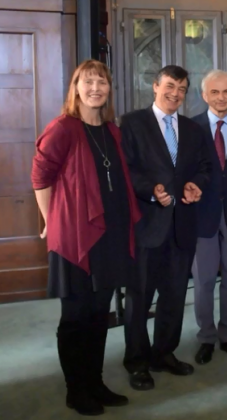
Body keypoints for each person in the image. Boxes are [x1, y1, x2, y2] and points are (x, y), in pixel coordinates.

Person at [31, 60, 141, 416]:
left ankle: (94, 382)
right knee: (76, 316)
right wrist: (51, 221)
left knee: (99, 313)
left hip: (108, 236)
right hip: (74, 239)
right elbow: (40, 177)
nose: (96, 88)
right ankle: (75, 390)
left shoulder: (112, 131)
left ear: (109, 89)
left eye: (102, 82)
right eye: (88, 82)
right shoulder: (63, 128)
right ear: (76, 88)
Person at [120, 65, 211, 391]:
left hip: (181, 225)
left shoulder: (191, 128)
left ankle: (163, 353)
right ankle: (137, 362)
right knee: (139, 299)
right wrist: (150, 189)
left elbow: (204, 167)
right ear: (156, 86)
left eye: (182, 89)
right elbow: (126, 169)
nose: (175, 94)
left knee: (173, 297)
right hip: (147, 226)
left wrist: (195, 185)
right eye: (170, 86)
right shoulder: (132, 123)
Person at [191, 70, 227, 365]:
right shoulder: (191, 128)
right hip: (202, 217)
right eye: (215, 92)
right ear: (204, 96)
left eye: (226, 91)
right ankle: (206, 337)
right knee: (203, 282)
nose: (221, 97)